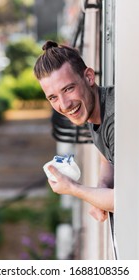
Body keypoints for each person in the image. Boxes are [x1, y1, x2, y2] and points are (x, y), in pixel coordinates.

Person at [34, 40, 114, 222]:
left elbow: (128, 200)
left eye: (68, 89)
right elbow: (107, 155)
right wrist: (101, 191)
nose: (64, 104)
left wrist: (72, 188)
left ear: (89, 77)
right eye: (53, 97)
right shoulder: (95, 107)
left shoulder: (115, 119)